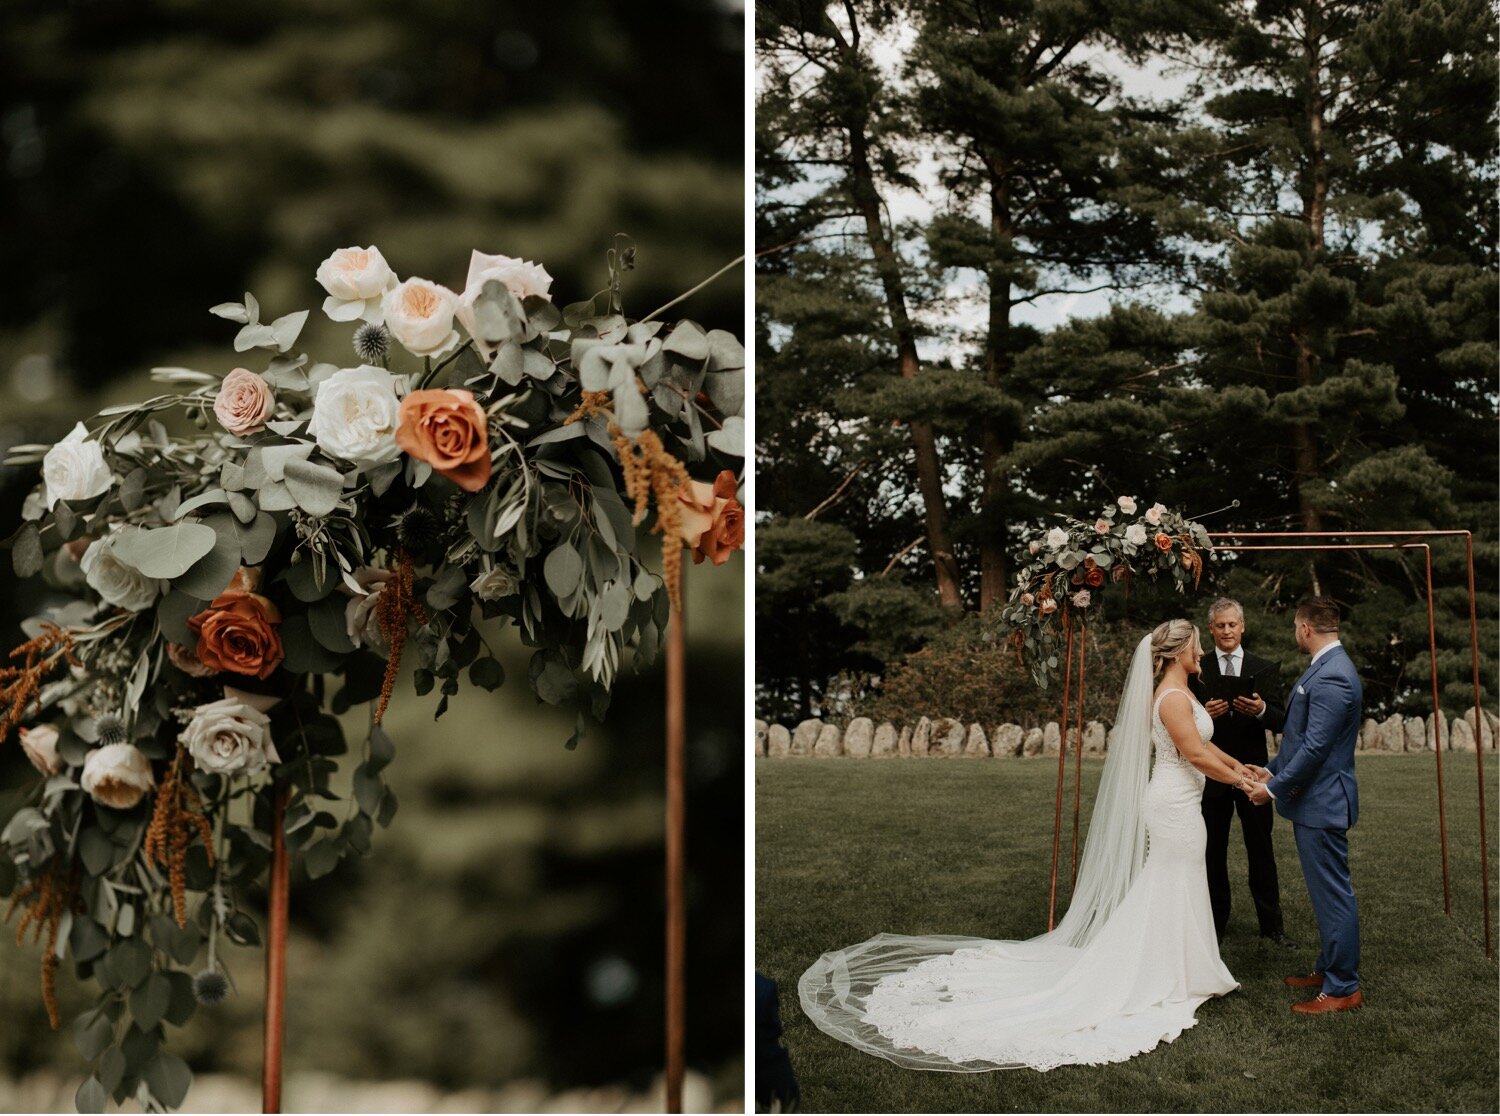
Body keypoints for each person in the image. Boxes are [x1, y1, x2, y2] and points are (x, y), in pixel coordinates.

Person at [798, 620, 1257, 1071]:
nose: (1202, 651)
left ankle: (1186, 967)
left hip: (1182, 801)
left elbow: (1203, 748)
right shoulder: (1173, 698)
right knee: (1169, 881)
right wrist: (1242, 783)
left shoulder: (1183, 694)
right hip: (1173, 804)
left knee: (1178, 881)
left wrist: (1245, 767)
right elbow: (1194, 755)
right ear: (1178, 652)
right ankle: (1156, 972)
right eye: (1197, 644)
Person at [1244, 596, 1364, 1014]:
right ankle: (1329, 969)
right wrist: (1270, 769)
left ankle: (1343, 987)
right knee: (1324, 894)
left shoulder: (1334, 676)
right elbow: (1299, 741)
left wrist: (1273, 790)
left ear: (1306, 628)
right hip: (1314, 800)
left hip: (1323, 803)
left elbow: (1316, 749)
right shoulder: (1325, 667)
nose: (1295, 633)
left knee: (1333, 896)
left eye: (1296, 627)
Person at [1189, 598, 1294, 947]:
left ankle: (1272, 927)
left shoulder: (1263, 667)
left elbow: (1283, 721)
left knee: (1261, 848)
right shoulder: (1196, 667)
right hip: (1211, 774)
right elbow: (1181, 720)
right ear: (1211, 629)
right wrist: (1206, 713)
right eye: (1220, 625)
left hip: (1252, 772)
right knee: (1212, 851)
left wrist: (1262, 709)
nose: (1227, 631)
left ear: (1243, 626)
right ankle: (1215, 925)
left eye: (1232, 624)